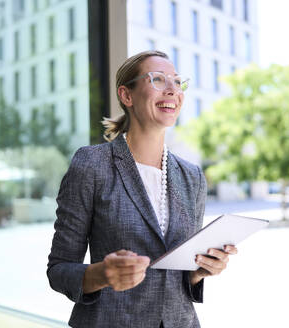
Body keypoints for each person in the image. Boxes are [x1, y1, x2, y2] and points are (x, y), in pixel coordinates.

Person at [47, 50, 237, 328]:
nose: (173, 90)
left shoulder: (192, 176)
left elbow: (183, 272)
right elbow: (59, 270)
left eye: (177, 81)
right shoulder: (92, 164)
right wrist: (102, 274)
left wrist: (200, 271)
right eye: (158, 79)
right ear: (127, 96)